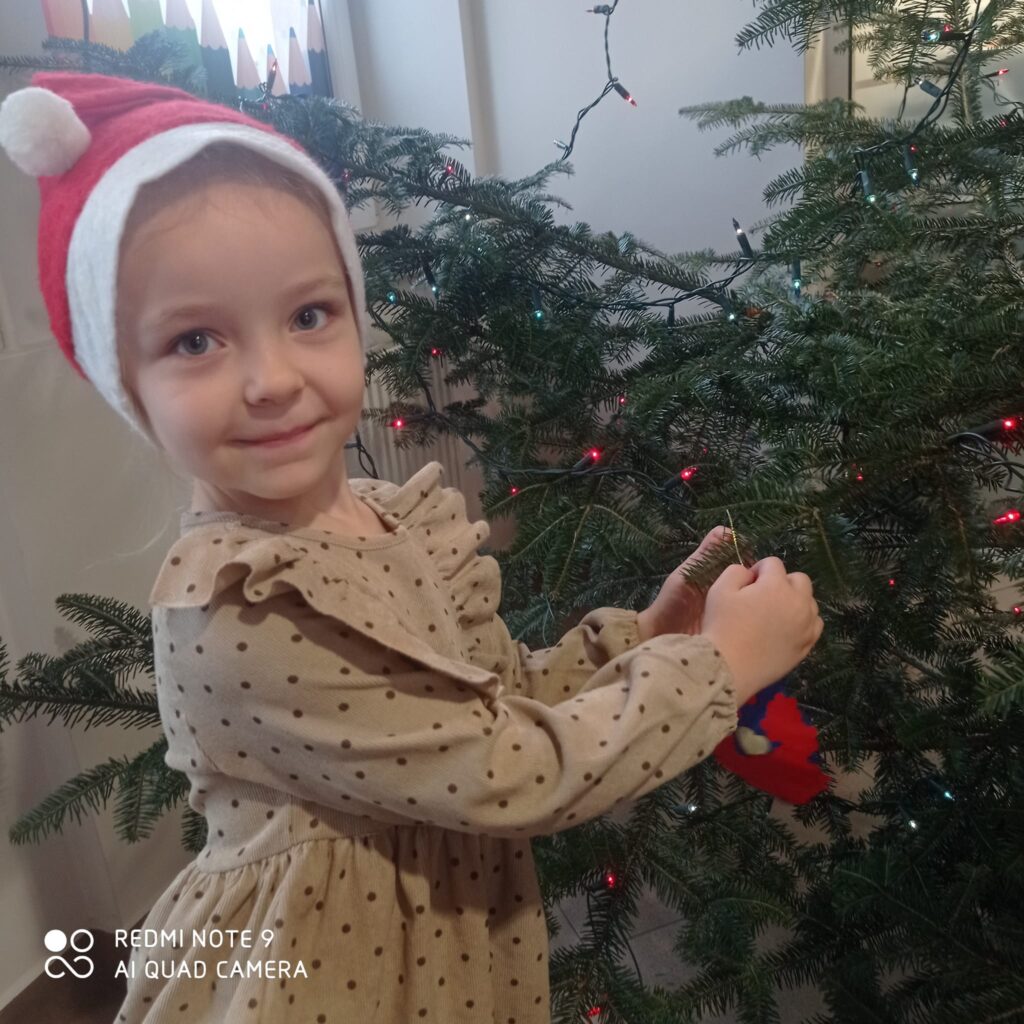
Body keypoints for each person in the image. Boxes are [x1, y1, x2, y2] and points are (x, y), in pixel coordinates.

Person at [0, 72, 823, 1023]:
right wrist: (719, 666)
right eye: (195, 341)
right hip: (318, 975)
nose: (272, 379)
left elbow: (491, 693)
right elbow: (508, 770)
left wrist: (645, 634)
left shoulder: (388, 519)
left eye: (308, 316)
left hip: (444, 948)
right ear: (126, 385)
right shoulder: (244, 610)